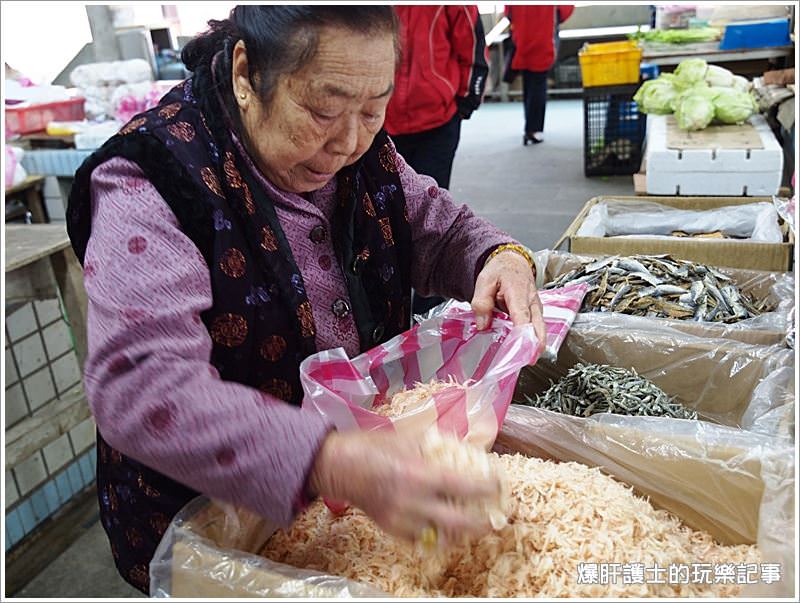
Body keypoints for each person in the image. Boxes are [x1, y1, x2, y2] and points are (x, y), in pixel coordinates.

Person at [66, 6, 546, 594]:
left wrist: (497, 254)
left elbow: (430, 222)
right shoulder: (150, 180)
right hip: (209, 518)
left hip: (362, 482)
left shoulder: (359, 146)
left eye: (374, 109)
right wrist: (334, 462)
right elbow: (141, 386)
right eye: (322, 111)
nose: (347, 142)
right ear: (246, 75)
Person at [384, 5, 489, 316]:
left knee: (431, 217)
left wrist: (464, 102)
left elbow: (472, 47)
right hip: (381, 123)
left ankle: (426, 315)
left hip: (438, 123)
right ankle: (390, 308)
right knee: (381, 216)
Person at [505, 4, 574, 145]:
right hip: (544, 34)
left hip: (522, 36)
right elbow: (565, 9)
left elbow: (508, 12)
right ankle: (533, 129)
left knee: (528, 83)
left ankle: (529, 126)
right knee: (538, 83)